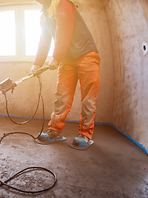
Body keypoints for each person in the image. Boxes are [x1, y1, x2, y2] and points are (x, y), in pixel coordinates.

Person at [31, 0, 100, 150]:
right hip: (67, 59)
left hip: (86, 53)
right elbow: (44, 40)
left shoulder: (62, 3)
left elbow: (64, 29)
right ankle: (55, 131)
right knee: (62, 96)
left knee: (88, 98)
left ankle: (85, 134)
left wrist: (56, 57)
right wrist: (37, 63)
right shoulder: (43, 15)